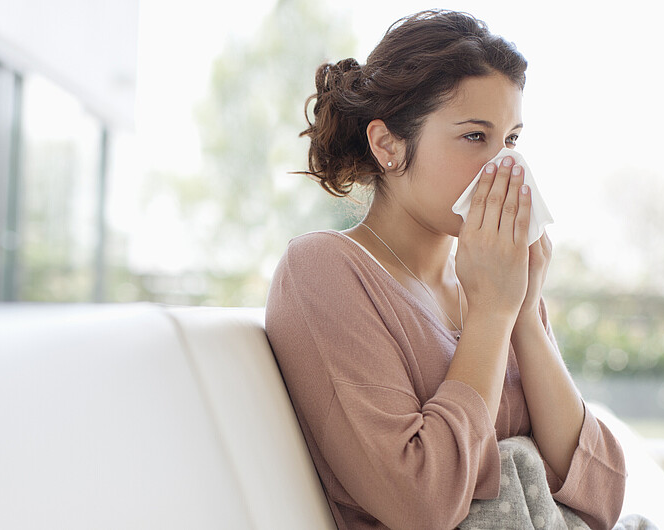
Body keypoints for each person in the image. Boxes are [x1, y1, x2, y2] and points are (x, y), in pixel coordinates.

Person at [265, 10, 627, 530]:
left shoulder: (493, 284)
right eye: (475, 137)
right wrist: (492, 314)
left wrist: (522, 314)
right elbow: (422, 503)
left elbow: (602, 496)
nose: (504, 167)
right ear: (388, 145)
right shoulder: (323, 270)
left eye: (511, 141)